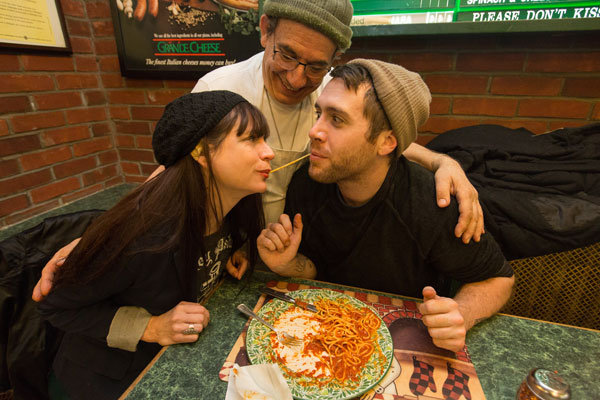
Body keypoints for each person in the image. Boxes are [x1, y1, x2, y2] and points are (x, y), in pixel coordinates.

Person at [32, 0, 482, 303]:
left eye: (316, 65)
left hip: (290, 256)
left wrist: (444, 160)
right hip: (235, 256)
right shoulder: (221, 89)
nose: (297, 77)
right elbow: (174, 171)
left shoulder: (327, 91)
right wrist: (99, 240)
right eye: (286, 54)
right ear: (265, 30)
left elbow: (378, 138)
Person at [257, 60, 515, 353]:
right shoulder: (307, 181)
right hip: (324, 339)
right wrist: (289, 264)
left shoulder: (431, 202)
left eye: (337, 119)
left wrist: (463, 313)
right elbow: (315, 269)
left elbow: (499, 278)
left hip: (405, 343)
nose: (314, 131)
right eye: (319, 114)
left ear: (386, 142)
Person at [38, 91, 274, 399]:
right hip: (106, 382)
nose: (268, 152)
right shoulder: (143, 236)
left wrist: (238, 251)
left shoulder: (233, 210)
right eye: (251, 139)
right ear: (200, 153)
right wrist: (151, 326)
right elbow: (53, 304)